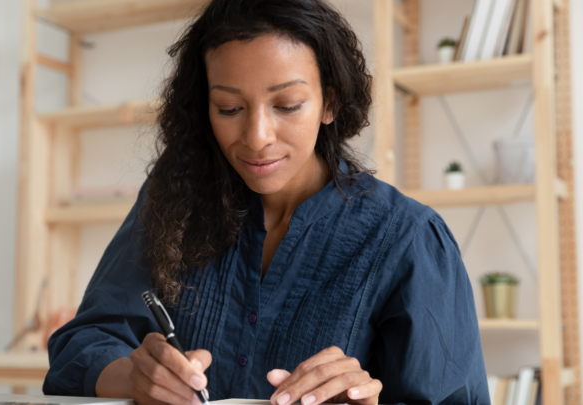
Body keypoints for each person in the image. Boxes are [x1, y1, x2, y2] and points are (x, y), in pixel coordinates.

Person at [43, 0, 490, 404]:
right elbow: (83, 344)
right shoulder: (174, 200)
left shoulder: (408, 239)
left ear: (328, 103)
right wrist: (131, 375)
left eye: (288, 104)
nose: (257, 138)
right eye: (230, 109)